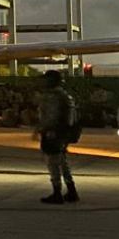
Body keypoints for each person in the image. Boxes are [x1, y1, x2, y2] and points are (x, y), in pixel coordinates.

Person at [36, 71, 79, 204]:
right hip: (63, 133)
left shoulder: (52, 96)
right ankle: (71, 190)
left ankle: (57, 192)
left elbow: (51, 116)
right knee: (62, 161)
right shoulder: (65, 95)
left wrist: (46, 129)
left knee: (52, 162)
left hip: (53, 133)